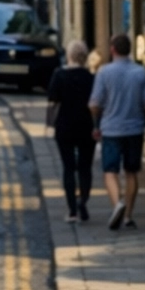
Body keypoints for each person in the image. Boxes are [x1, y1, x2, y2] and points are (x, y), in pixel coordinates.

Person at [90, 30, 145, 231]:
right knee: (131, 172)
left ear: (112, 50)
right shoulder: (140, 72)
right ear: (129, 50)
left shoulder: (104, 72)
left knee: (110, 171)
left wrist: (95, 124)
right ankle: (128, 216)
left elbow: (94, 104)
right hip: (134, 130)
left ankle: (117, 204)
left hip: (111, 130)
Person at [46, 40, 97, 222]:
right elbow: (95, 105)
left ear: (69, 55)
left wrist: (49, 123)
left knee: (69, 168)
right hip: (86, 126)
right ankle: (83, 201)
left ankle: (72, 211)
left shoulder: (59, 75)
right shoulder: (91, 78)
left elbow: (52, 101)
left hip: (65, 126)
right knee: (85, 167)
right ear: (84, 57)